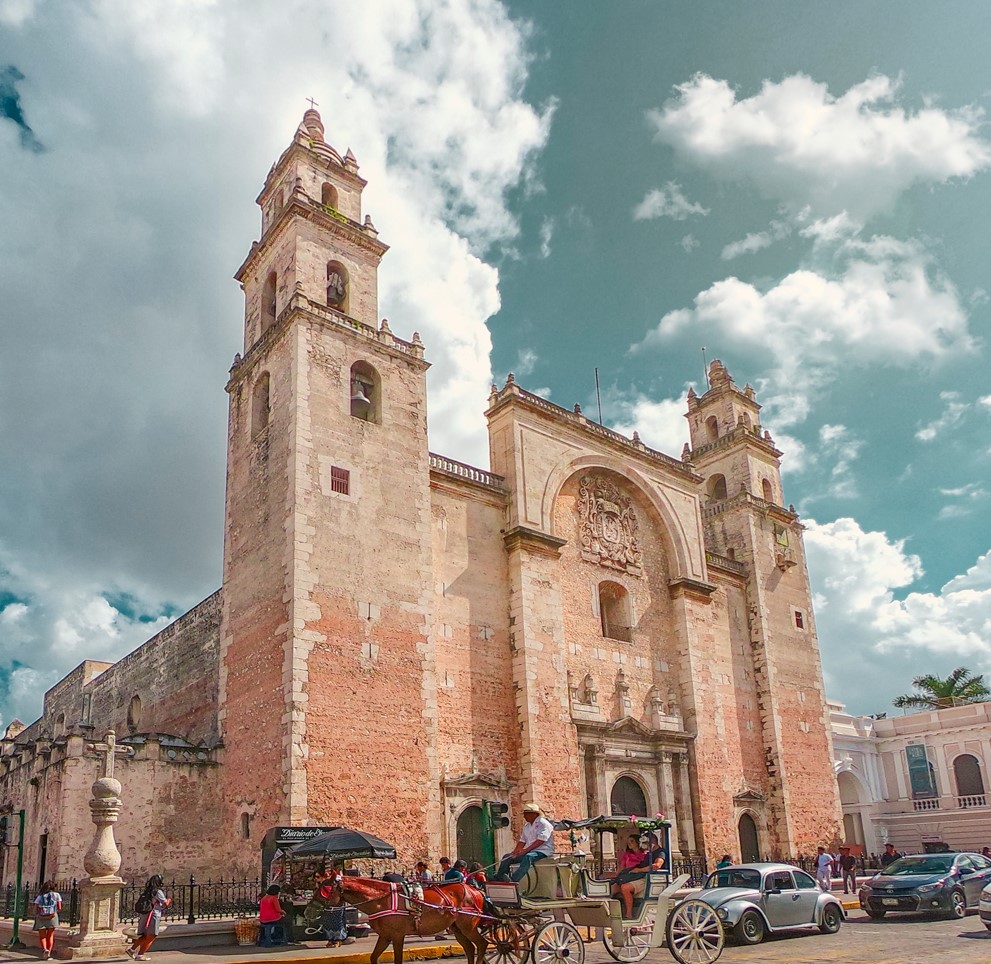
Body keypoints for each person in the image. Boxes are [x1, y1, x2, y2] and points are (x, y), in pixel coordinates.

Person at [495, 803, 554, 882]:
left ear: (534, 814)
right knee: (507, 857)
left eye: (526, 814)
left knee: (528, 857)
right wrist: (515, 851)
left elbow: (541, 840)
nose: (524, 816)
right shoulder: (527, 826)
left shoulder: (544, 824)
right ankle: (500, 877)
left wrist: (525, 850)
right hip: (530, 850)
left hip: (543, 851)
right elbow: (522, 841)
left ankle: (514, 879)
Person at [614, 835, 665, 918]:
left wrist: (639, 870)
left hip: (647, 878)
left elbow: (657, 865)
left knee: (625, 887)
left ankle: (629, 914)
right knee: (614, 887)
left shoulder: (660, 852)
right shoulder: (649, 853)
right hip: (640, 876)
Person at [127, 875, 171, 960]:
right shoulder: (158, 891)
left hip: (144, 914)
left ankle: (132, 950)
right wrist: (169, 899)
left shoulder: (147, 891)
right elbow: (165, 903)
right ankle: (140, 955)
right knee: (152, 936)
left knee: (145, 935)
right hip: (153, 915)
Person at [33, 881, 61, 961]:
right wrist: (54, 913)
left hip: (41, 917)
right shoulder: (56, 895)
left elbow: (35, 908)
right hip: (52, 917)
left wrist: (37, 915)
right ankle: (49, 953)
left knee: (42, 936)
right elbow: (59, 907)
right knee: (50, 935)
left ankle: (45, 949)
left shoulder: (40, 896)